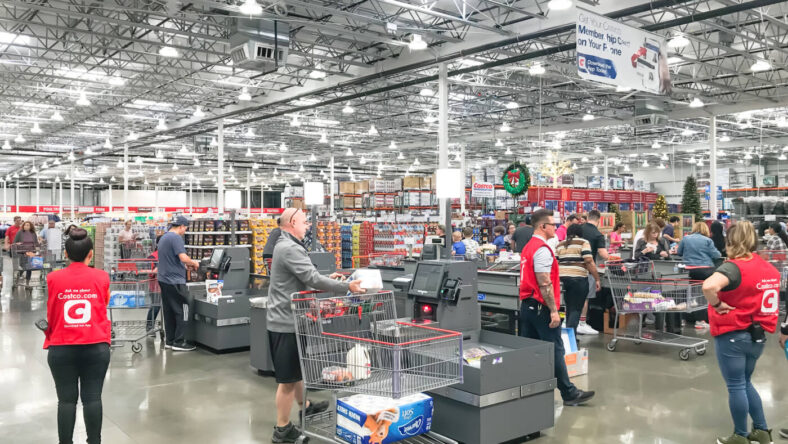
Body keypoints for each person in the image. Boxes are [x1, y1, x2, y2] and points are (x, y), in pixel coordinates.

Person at [267, 208, 364, 443]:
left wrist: (330, 278)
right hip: (286, 322)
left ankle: (306, 405)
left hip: (291, 319)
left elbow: (305, 278)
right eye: (303, 222)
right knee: (287, 381)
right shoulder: (289, 247)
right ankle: (282, 429)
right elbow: (311, 278)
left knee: (295, 371)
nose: (307, 226)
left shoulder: (288, 245)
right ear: (291, 222)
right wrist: (346, 288)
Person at [701, 221, 780, 444]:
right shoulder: (768, 269)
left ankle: (740, 435)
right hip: (758, 336)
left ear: (731, 242)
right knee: (745, 381)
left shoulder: (733, 267)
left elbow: (708, 286)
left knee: (735, 384)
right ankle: (762, 431)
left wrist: (716, 305)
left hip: (733, 333)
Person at [518, 209, 595, 406]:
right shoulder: (542, 249)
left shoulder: (529, 247)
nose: (557, 227)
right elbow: (544, 282)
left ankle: (531, 389)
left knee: (532, 350)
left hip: (527, 306)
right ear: (543, 227)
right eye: (553, 224)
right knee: (555, 349)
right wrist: (553, 310)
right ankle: (569, 393)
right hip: (541, 307)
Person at [43, 227, 111, 444]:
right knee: (92, 398)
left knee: (66, 401)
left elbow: (52, 310)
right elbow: (103, 304)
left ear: (65, 254)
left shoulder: (53, 278)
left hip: (61, 346)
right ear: (90, 254)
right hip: (96, 346)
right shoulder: (102, 276)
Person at [157, 216, 200, 351]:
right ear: (181, 226)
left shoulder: (164, 237)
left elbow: (172, 259)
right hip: (175, 281)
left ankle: (170, 341)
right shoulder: (176, 238)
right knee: (183, 309)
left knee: (169, 310)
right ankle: (180, 342)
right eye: (185, 229)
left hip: (164, 279)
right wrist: (194, 263)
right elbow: (182, 257)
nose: (185, 232)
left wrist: (183, 266)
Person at [556, 223, 601, 338]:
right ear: (580, 233)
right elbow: (589, 261)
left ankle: (567, 336)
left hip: (563, 280)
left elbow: (555, 263)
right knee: (576, 308)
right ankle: (571, 338)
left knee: (569, 307)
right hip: (578, 279)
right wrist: (597, 278)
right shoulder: (583, 242)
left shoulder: (560, 244)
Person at [678, 222, 721, 330]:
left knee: (688, 294)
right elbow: (717, 255)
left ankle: (683, 319)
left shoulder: (686, 238)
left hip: (687, 270)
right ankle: (700, 321)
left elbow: (679, 252)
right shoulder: (707, 240)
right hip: (704, 270)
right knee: (702, 296)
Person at [577, 210, 609, 335]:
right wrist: (611, 257)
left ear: (588, 217)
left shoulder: (578, 229)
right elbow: (603, 254)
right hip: (587, 269)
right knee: (585, 298)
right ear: (599, 220)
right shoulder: (597, 234)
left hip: (572, 267)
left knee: (572, 297)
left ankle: (571, 321)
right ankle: (582, 323)